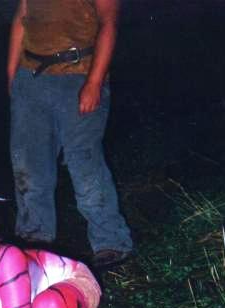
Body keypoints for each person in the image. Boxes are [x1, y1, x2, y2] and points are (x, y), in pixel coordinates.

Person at [7, 0, 133, 268]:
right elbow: (21, 17)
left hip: (79, 75)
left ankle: (110, 241)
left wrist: (94, 83)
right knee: (29, 165)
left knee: (84, 162)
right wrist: (12, 76)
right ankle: (34, 243)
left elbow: (109, 24)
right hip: (31, 77)